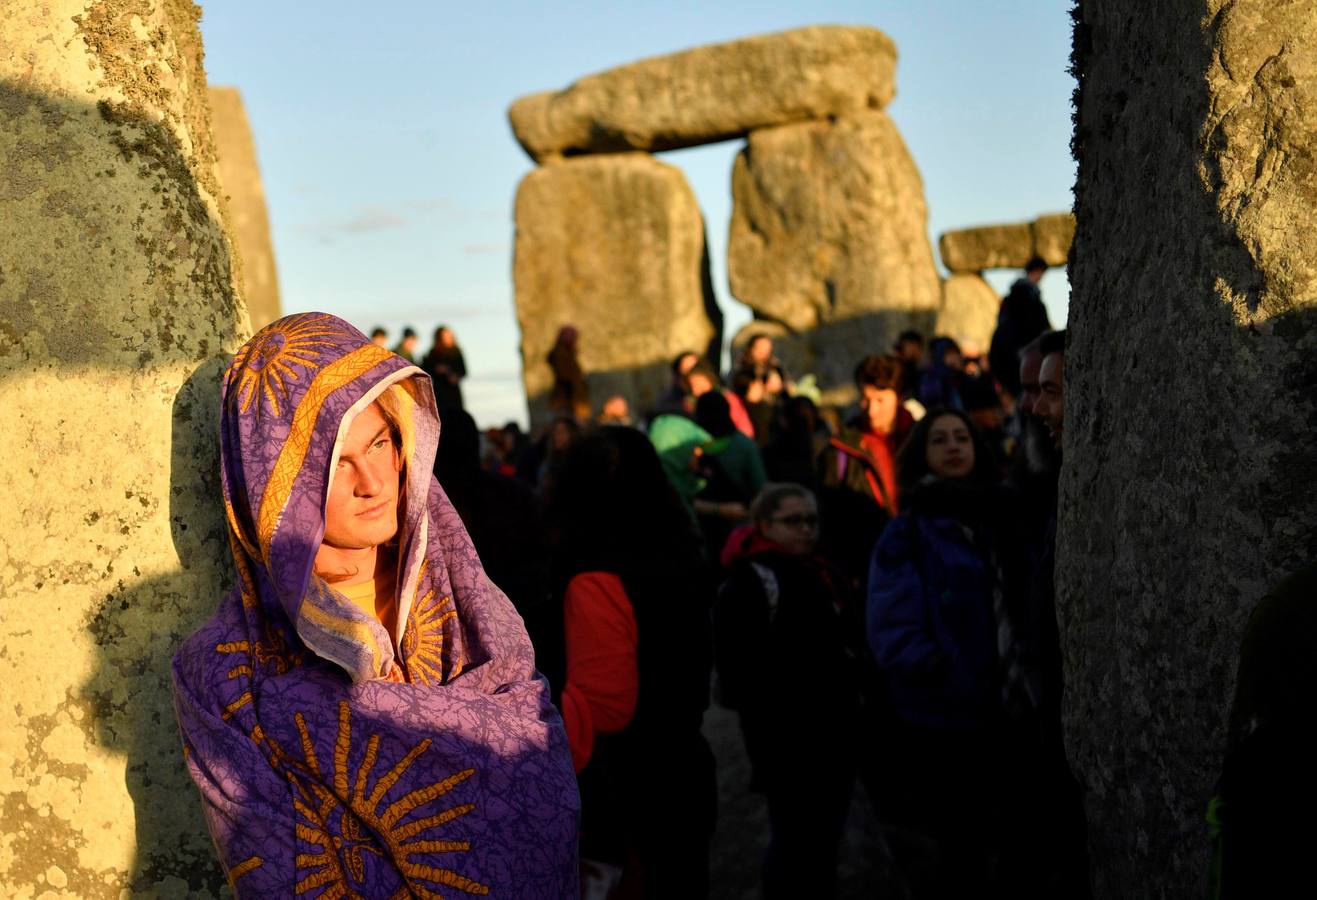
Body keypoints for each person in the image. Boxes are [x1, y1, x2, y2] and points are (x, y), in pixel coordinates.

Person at [171, 313, 579, 896]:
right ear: (276, 489)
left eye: (380, 443)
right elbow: (280, 872)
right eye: (336, 463)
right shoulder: (223, 674)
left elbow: (540, 770)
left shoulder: (466, 602)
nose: (374, 481)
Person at [544, 427, 717, 898]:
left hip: (631, 797)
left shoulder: (595, 576)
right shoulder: (679, 555)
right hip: (685, 770)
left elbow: (606, 707)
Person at [866, 407, 1030, 895]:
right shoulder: (909, 529)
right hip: (945, 714)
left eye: (962, 437)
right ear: (922, 454)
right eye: (939, 440)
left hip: (1015, 705)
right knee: (961, 846)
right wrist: (936, 670)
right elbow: (891, 621)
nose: (954, 446)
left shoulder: (1006, 513)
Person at [715, 484, 858, 899]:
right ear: (763, 524)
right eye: (793, 521)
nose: (805, 530)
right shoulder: (749, 582)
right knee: (795, 843)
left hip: (836, 731)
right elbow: (738, 674)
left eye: (811, 520)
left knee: (824, 841)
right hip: (786, 741)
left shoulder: (822, 569)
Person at [816, 355, 913, 588]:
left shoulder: (923, 439)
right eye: (865, 399)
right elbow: (829, 518)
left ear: (898, 397)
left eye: (880, 400)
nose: (870, 410)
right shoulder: (840, 448)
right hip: (866, 570)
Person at [989, 256, 1052, 398]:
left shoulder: (1010, 297)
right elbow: (1037, 326)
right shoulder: (1028, 296)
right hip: (1022, 355)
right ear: (1037, 271)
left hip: (1007, 356)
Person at [547, 325, 590, 421]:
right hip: (567, 402)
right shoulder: (561, 354)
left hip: (570, 401)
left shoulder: (567, 354)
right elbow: (567, 377)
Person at [420, 325, 466, 411]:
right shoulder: (434, 353)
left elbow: (463, 371)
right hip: (440, 392)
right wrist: (437, 369)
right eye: (444, 336)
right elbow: (426, 369)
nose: (447, 339)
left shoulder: (457, 352)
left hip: (454, 393)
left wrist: (455, 376)